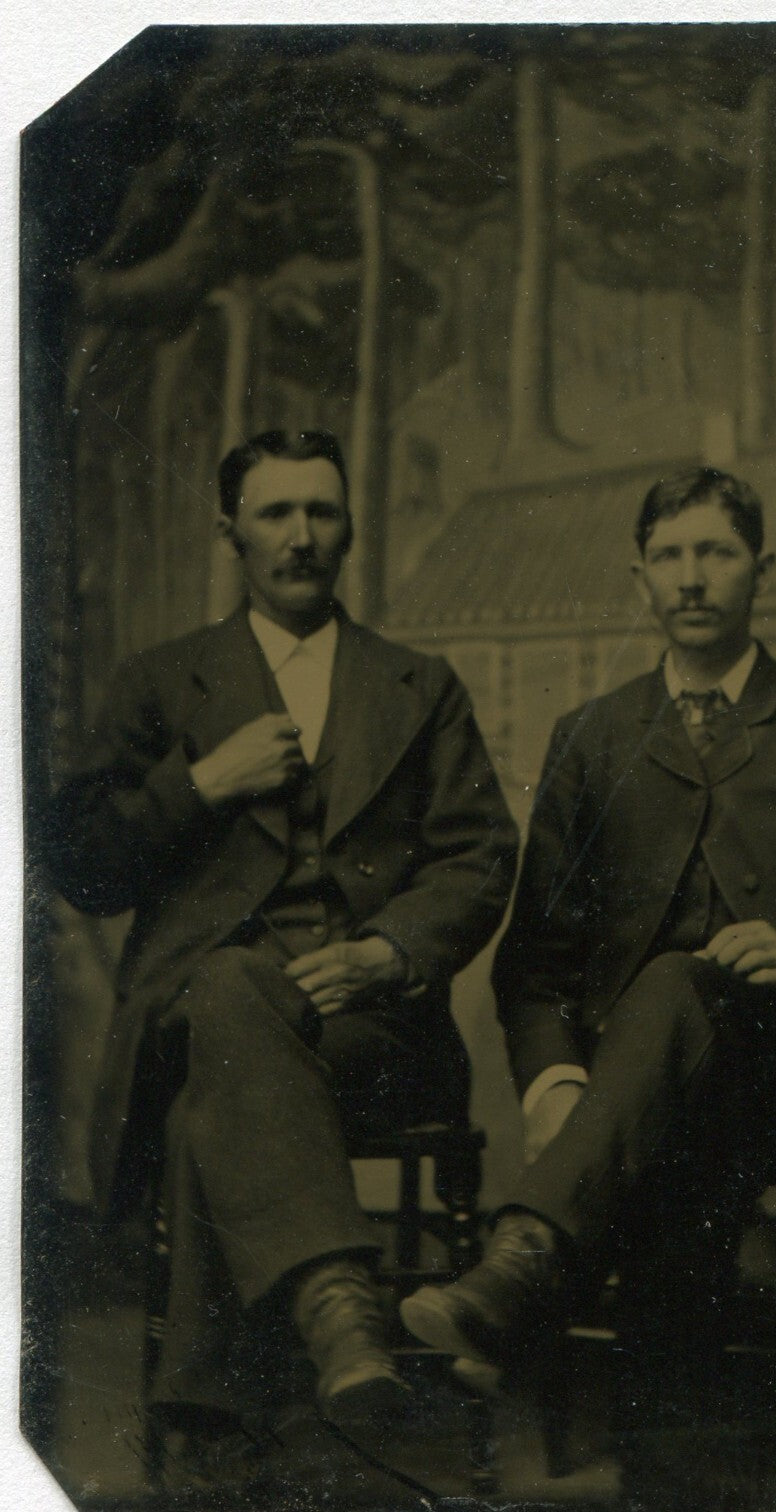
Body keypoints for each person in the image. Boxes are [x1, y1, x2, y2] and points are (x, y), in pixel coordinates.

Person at [401, 466, 776, 1372]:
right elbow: (537, 961)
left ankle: (529, 1266)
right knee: (672, 1205)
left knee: (674, 983)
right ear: (640, 580)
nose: (692, 578)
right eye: (668, 556)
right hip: (640, 1095)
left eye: (716, 552)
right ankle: (667, 1453)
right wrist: (554, 1087)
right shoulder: (592, 738)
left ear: (762, 570)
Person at [48, 429, 518, 1445]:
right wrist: (201, 784)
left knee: (204, 1105)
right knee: (225, 988)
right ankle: (342, 1312)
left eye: (322, 512)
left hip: (369, 1031)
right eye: (275, 514)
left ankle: (209, 1405)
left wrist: (386, 952)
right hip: (191, 1014)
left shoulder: (418, 686)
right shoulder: (162, 683)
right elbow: (80, 864)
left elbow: (480, 856)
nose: (301, 537)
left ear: (349, 526)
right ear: (231, 532)